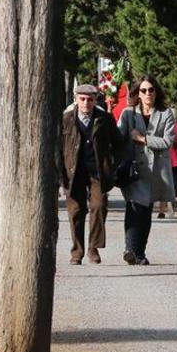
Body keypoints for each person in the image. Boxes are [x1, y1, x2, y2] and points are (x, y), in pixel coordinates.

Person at [117, 76, 176, 265]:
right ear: (138, 93)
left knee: (145, 210)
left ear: (156, 92)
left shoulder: (166, 114)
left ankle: (139, 253)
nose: (147, 93)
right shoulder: (128, 114)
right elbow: (119, 139)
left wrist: (143, 139)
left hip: (155, 171)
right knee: (134, 207)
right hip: (134, 169)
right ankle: (130, 249)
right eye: (143, 90)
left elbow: (167, 141)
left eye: (151, 89)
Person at [59, 83, 120, 265]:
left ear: (95, 100)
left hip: (97, 172)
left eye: (90, 99)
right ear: (76, 99)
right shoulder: (66, 119)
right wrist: (60, 173)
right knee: (76, 210)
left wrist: (112, 165)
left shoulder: (104, 119)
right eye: (82, 99)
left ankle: (93, 248)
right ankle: (77, 251)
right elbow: (58, 147)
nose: (86, 103)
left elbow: (118, 143)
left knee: (99, 206)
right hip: (73, 171)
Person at [159, 119, 177, 218]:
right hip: (175, 161)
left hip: (161, 160)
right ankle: (171, 207)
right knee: (172, 186)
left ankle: (161, 209)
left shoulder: (158, 125)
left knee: (163, 185)